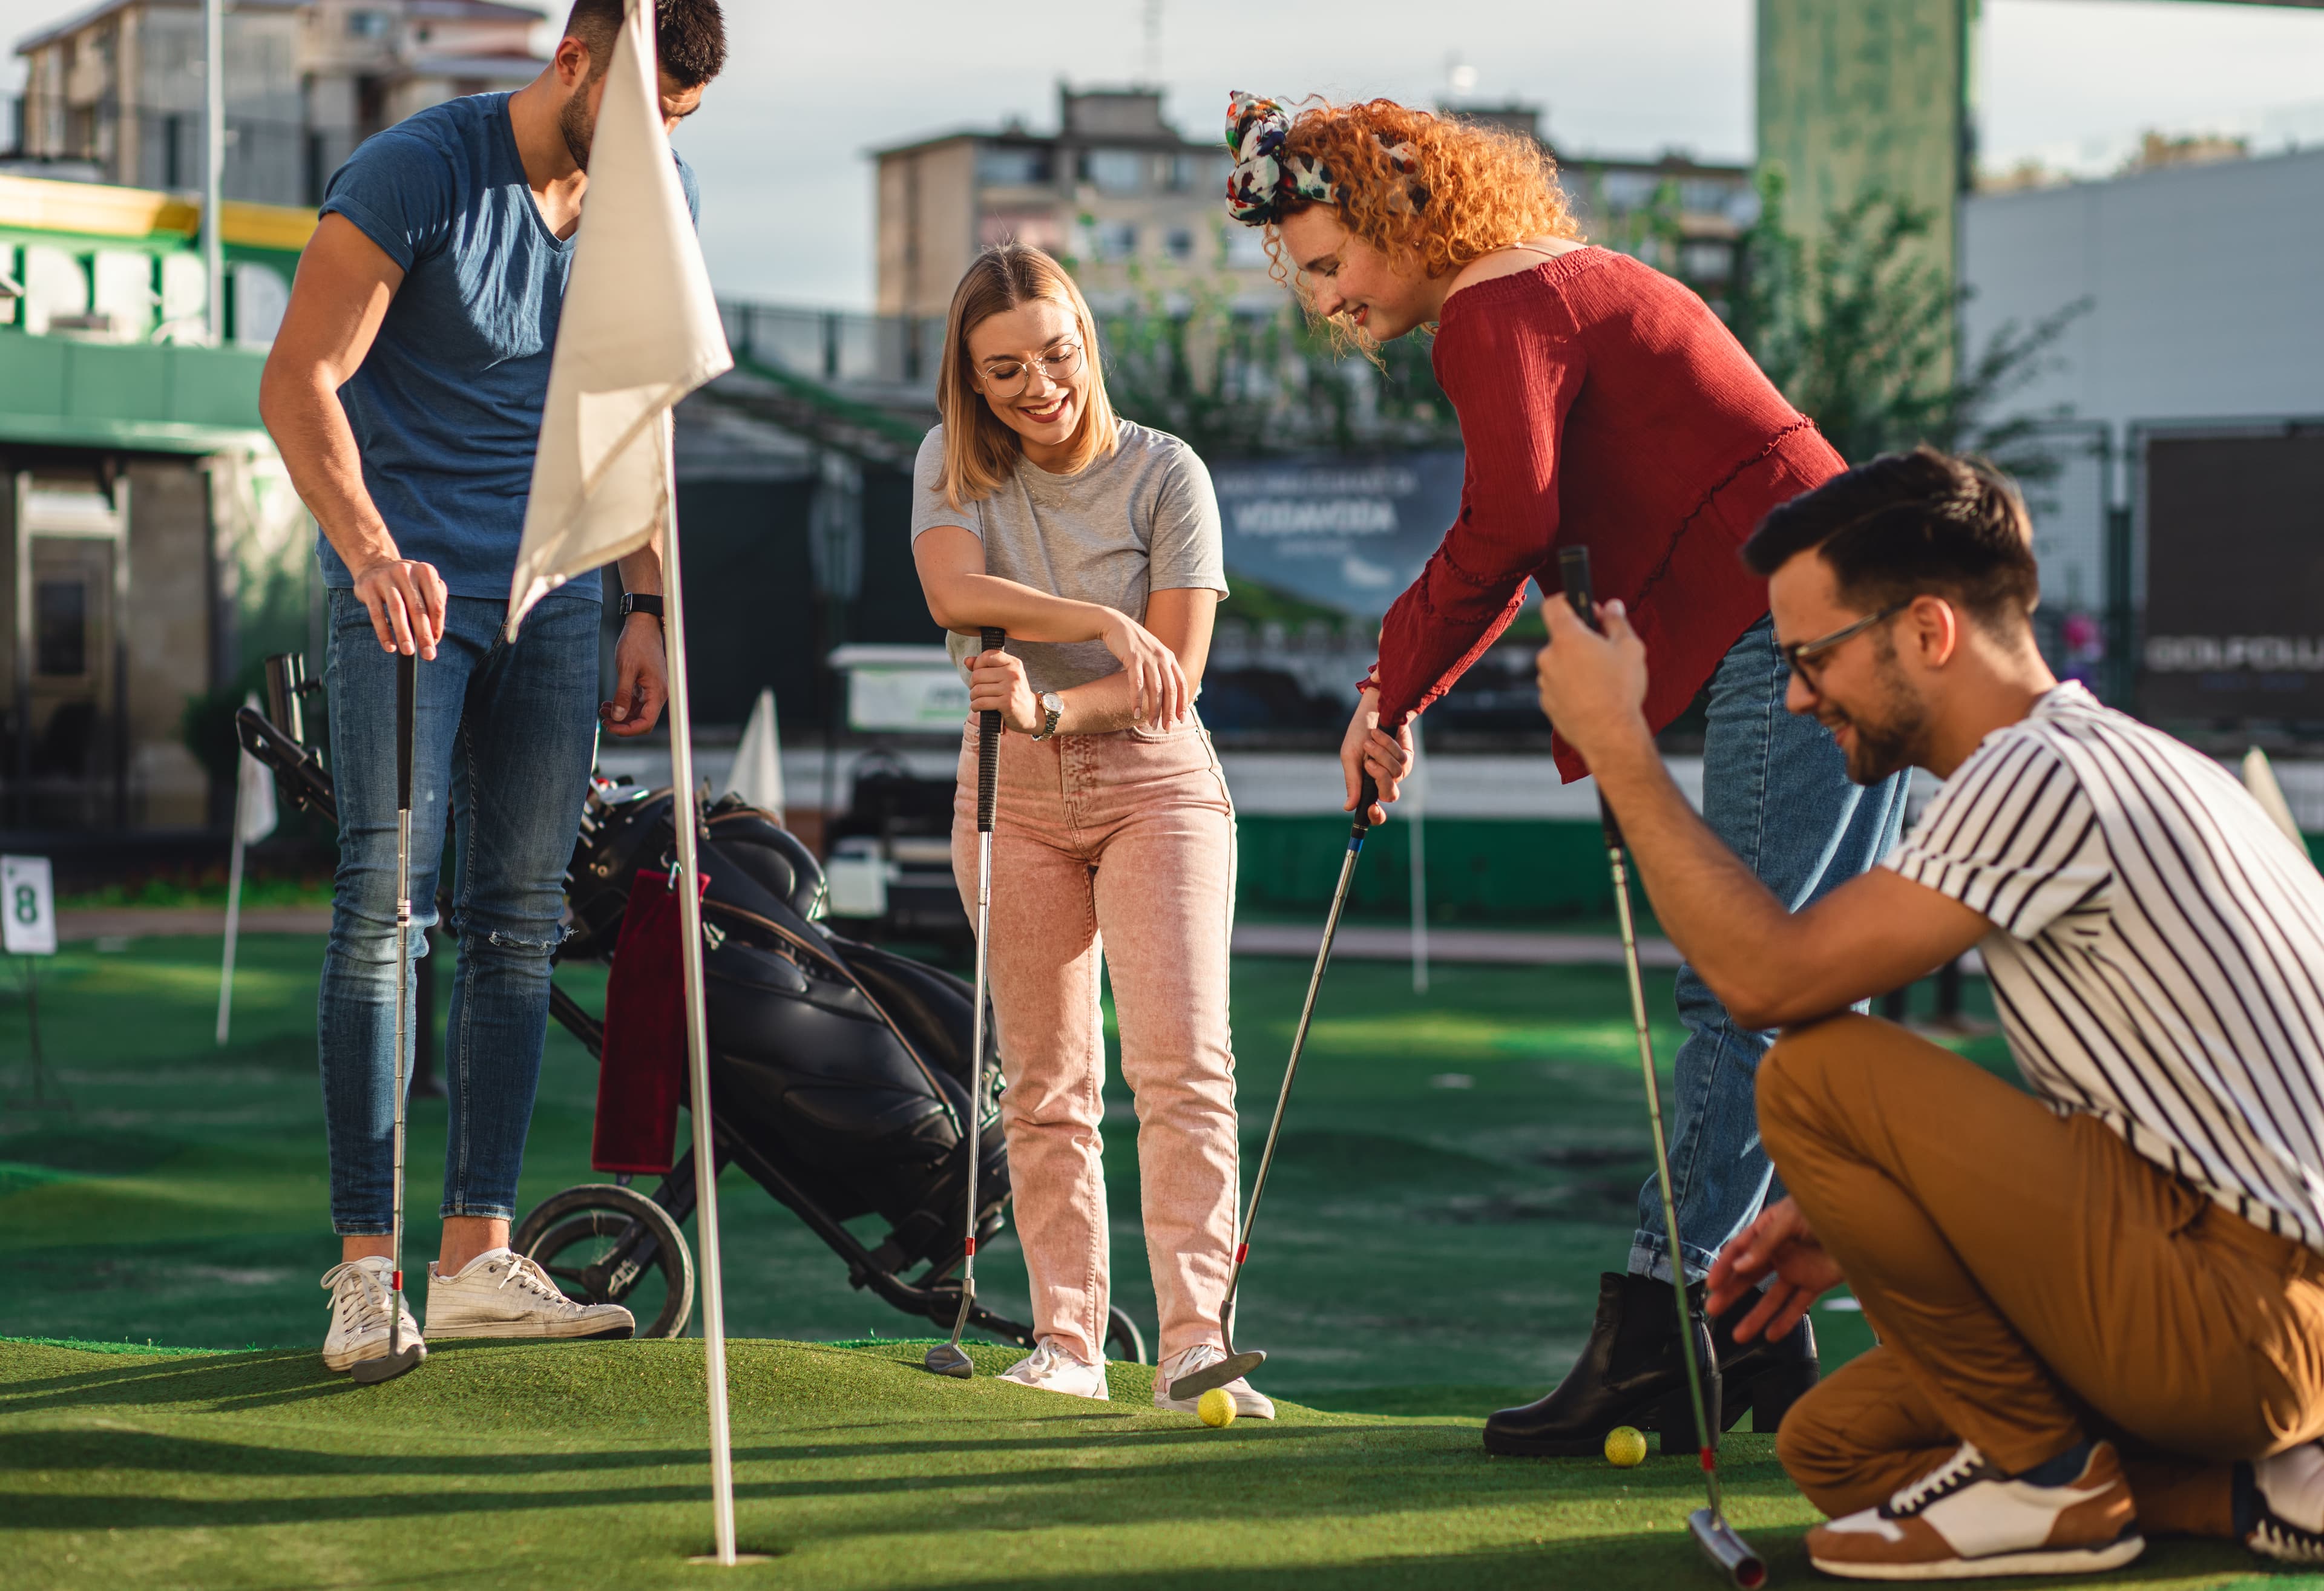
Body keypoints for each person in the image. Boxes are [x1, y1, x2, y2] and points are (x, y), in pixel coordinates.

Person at [1221, 90, 1909, 1451]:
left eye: (1327, 261)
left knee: (1746, 979)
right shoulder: (1561, 283)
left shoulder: (1493, 309)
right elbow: (1528, 534)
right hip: (1864, 613)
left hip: (1807, 627)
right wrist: (1398, 686)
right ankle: (1764, 1338)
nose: (1323, 299)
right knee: (1799, 990)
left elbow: (1507, 522)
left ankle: (1661, 1337)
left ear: (1402, 216)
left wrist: (1386, 683)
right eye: (1301, 276)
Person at [1534, 444, 2324, 1578]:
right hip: (2250, 1302)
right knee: (1835, 1445)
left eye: (1812, 656)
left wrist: (1621, 747)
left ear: (1927, 632)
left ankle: (2052, 1483)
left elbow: (1767, 980)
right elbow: (2178, 1120)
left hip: (2241, 1316)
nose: (1799, 695)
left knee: (1814, 1073)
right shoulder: (2132, 756)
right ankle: (2253, 1491)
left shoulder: (2033, 772)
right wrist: (1905, 1218)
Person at [260, 0, 728, 1373]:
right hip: (404, 594)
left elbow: (636, 414)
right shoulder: (422, 171)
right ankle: (366, 1272)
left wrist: (644, 601)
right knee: (381, 913)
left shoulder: (659, 200)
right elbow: (300, 381)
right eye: (646, 117)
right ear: (573, 63)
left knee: (519, 923)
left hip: (566, 597)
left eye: (680, 131)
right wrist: (370, 552)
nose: (661, 152)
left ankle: (475, 1256)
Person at [908, 243, 1265, 1417]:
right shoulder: (953, 466)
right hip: (1010, 794)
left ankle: (1195, 1342)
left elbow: (1181, 677)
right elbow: (955, 594)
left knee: (1182, 1068)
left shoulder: (1170, 475)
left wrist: (1058, 694)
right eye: (1004, 369)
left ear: (1087, 340)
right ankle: (1067, 1338)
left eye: (1055, 354)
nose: (1038, 385)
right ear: (972, 378)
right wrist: (1102, 623)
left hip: (1156, 785)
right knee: (1048, 1084)